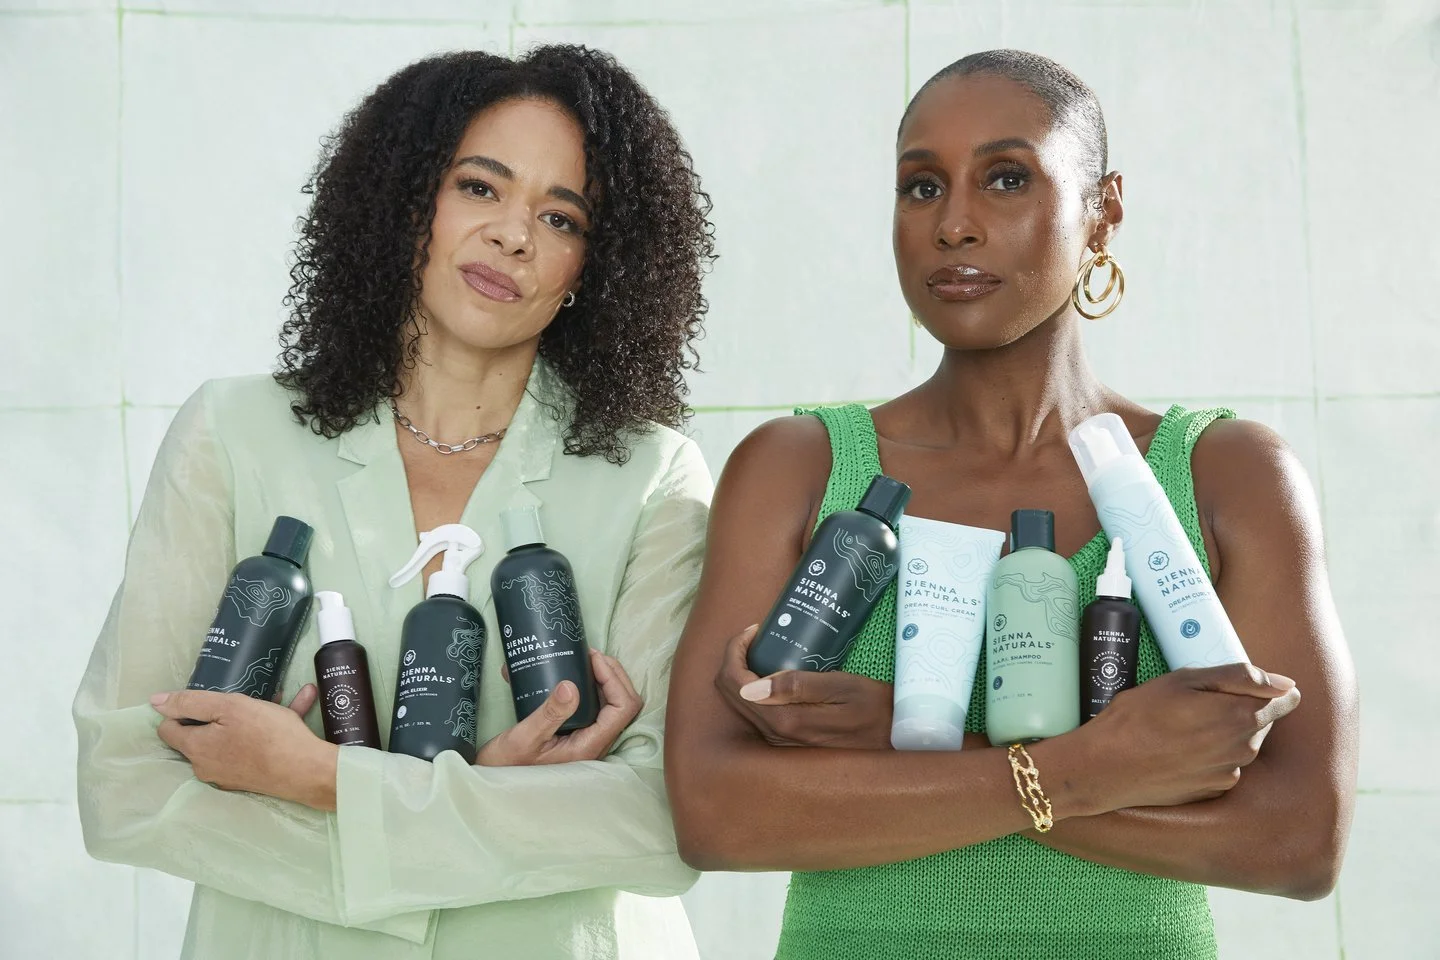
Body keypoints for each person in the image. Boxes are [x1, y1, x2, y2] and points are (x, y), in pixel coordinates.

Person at [665, 49, 1356, 960]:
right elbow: (716, 815)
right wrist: (1098, 768)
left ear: (1103, 210)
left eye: (1004, 178)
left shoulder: (1226, 475)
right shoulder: (799, 467)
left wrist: (899, 739)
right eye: (921, 188)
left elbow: (1299, 842)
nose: (954, 224)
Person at [74, 45, 715, 960]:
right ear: (406, 197)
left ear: (594, 266)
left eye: (561, 216)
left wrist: (326, 781)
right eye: (480, 189)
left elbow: (668, 820)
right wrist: (487, 813)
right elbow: (124, 783)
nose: (514, 236)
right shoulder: (232, 432)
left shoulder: (654, 477)